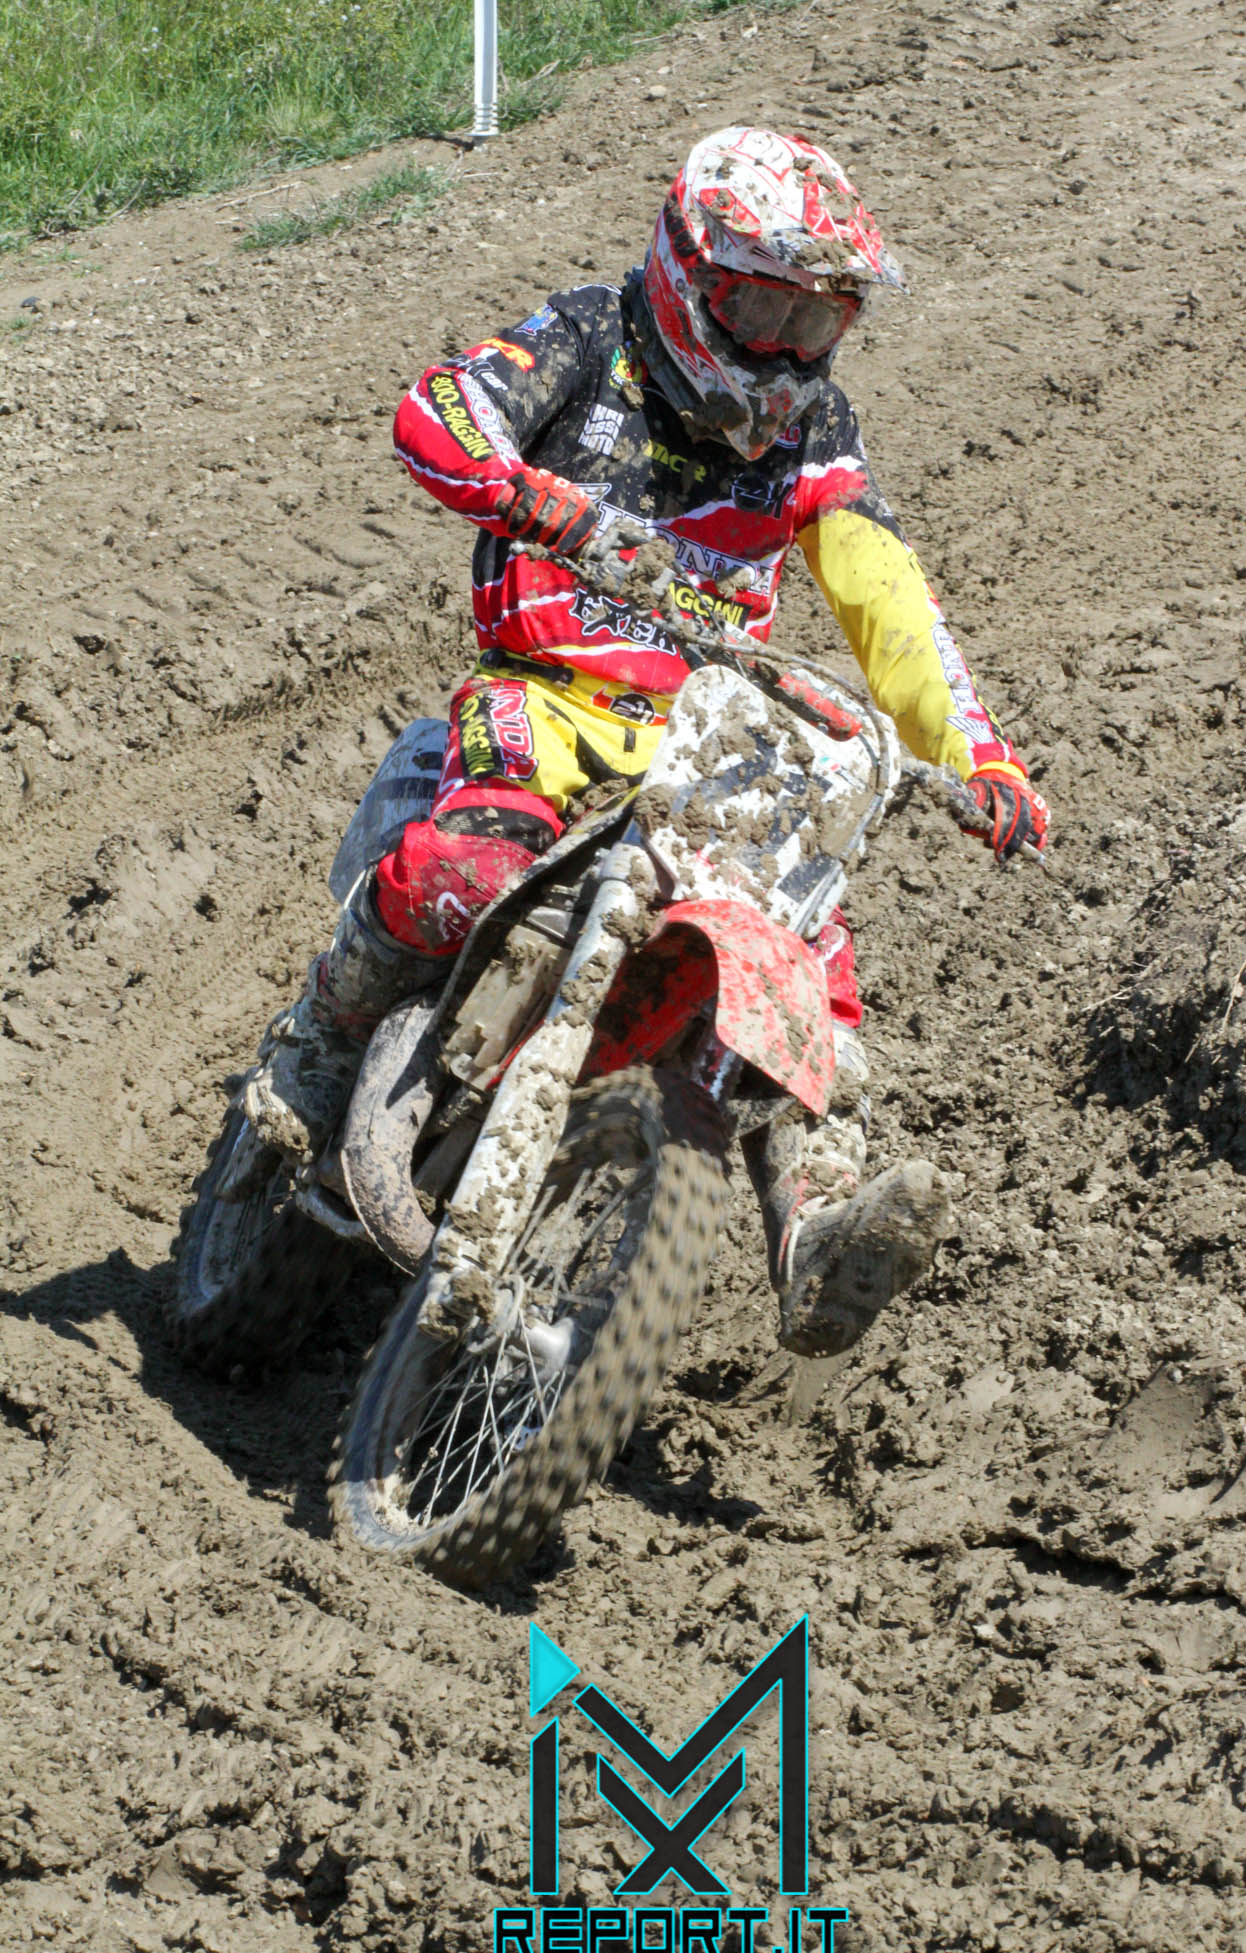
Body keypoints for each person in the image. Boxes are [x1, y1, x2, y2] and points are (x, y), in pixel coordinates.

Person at [246, 127, 1049, 1356]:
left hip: (709, 736)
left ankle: (818, 1223)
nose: (782, 349)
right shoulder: (592, 336)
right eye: (760, 307)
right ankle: (317, 1046)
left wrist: (979, 751)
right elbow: (438, 411)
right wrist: (533, 497)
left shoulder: (813, 430)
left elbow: (886, 592)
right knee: (464, 867)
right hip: (550, 694)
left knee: (807, 967)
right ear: (689, 271)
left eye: (814, 320)